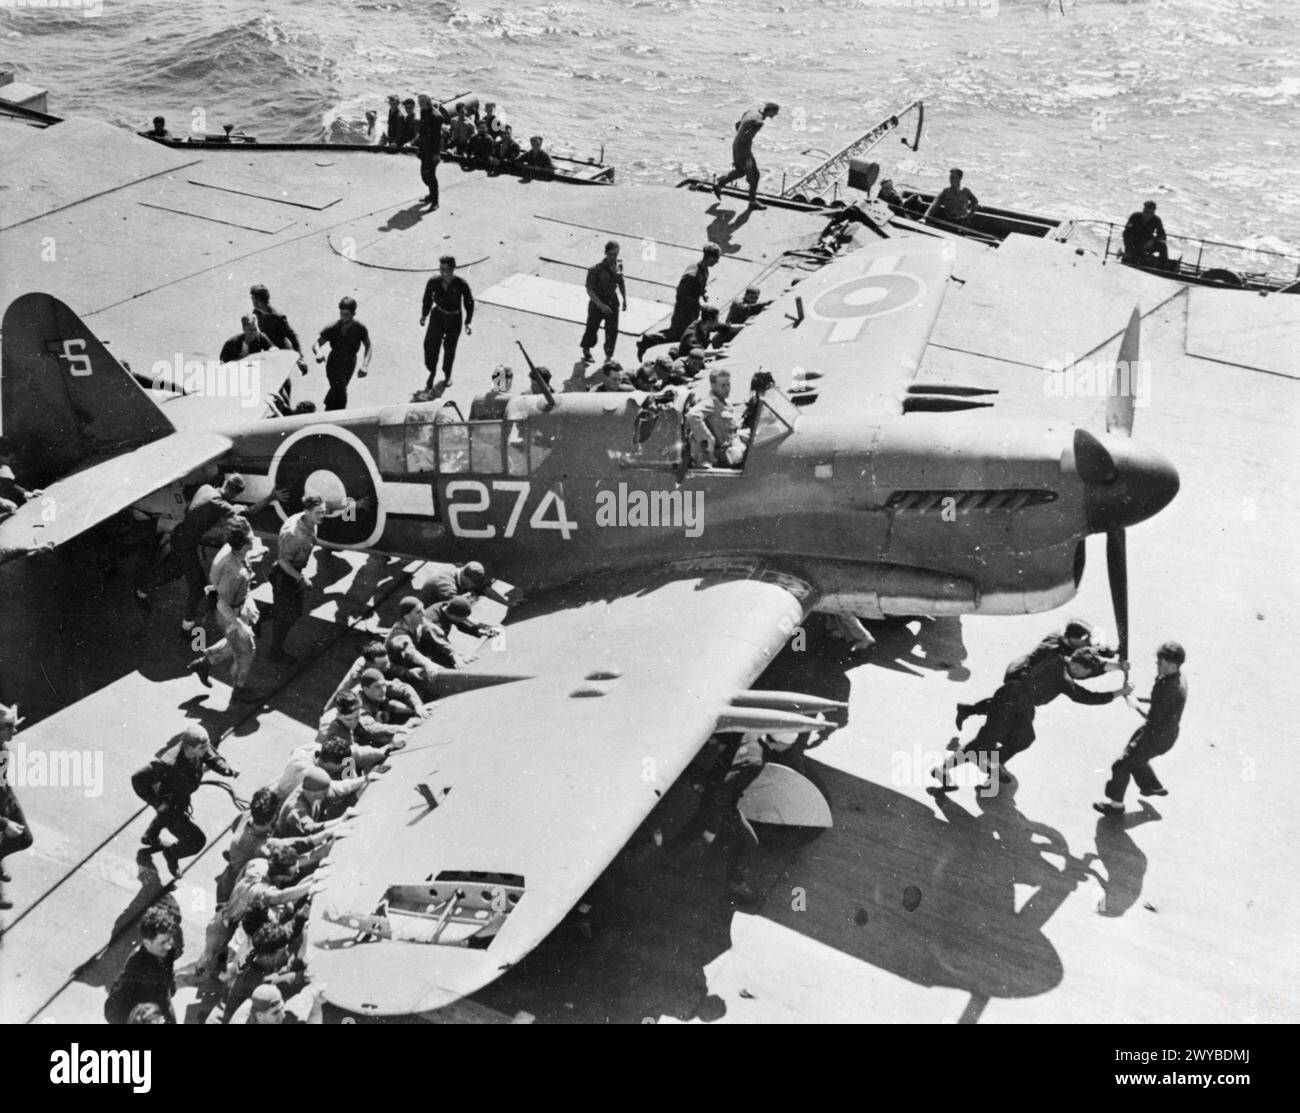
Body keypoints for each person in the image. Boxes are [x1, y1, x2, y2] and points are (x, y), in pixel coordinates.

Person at [932, 646, 1130, 793]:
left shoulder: (1057, 656)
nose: (1085, 676)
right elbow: (1085, 696)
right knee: (983, 743)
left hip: (1019, 702)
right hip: (1012, 700)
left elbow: (1088, 665)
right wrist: (1119, 692)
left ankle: (992, 767)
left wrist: (1117, 666)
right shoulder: (1063, 676)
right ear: (1077, 666)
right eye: (1085, 673)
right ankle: (944, 770)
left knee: (1023, 738)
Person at [659, 733, 770, 906]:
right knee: (748, 841)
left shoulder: (751, 735)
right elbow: (725, 789)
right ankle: (735, 883)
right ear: (781, 744)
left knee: (699, 822)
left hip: (712, 790)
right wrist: (714, 824)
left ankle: (670, 852)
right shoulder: (756, 762)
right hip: (720, 801)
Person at [132, 725, 239, 876]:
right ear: (188, 748)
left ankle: (150, 836)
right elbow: (137, 779)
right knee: (196, 841)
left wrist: (226, 769)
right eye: (202, 749)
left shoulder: (199, 747)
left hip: (181, 797)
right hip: (171, 806)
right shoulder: (168, 762)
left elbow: (212, 756)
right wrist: (157, 802)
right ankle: (171, 854)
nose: (205, 751)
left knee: (162, 815)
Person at [1095, 642, 1187, 814]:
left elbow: (1154, 718)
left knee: (1121, 765)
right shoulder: (1176, 678)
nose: (1157, 664)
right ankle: (1152, 787)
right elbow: (1162, 704)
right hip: (1164, 734)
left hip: (1155, 735)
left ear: (1173, 665)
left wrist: (1136, 705)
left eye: (1161, 662)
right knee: (1133, 756)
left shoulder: (1168, 687)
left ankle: (1116, 806)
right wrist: (1139, 699)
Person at [187, 517, 264, 701]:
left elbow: (238, 559)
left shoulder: (233, 550)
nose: (254, 538)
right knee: (246, 651)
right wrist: (240, 625)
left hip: (240, 605)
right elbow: (222, 603)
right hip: (231, 612)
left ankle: (204, 663)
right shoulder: (234, 573)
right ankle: (238, 690)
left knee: (236, 643)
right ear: (243, 544)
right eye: (251, 538)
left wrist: (253, 554)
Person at [268, 493, 328, 664]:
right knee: (286, 617)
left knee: (293, 612)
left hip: (293, 573)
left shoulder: (312, 520)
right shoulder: (293, 533)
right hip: (285, 575)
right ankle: (276, 651)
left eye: (323, 512)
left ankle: (261, 619)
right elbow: (282, 561)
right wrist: (300, 579)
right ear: (307, 511)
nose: (322, 516)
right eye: (318, 513)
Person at [636, 243, 721, 360]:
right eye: (717, 259)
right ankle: (649, 340)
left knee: (680, 334)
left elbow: (698, 287)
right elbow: (681, 296)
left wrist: (703, 294)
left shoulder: (704, 270)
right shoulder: (691, 274)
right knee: (680, 335)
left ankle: (649, 341)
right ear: (711, 258)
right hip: (683, 311)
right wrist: (698, 305)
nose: (717, 262)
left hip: (691, 310)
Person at [104, 905, 178, 1024]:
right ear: (147, 942)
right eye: (163, 942)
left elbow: (168, 979)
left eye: (170, 940)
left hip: (165, 1014)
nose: (168, 946)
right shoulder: (135, 967)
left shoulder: (167, 951)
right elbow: (112, 1011)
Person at [420, 255, 475, 389]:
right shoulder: (433, 281)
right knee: (430, 346)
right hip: (437, 315)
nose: (442, 271)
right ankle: (432, 373)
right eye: (440, 268)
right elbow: (427, 299)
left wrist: (468, 322)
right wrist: (424, 315)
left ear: (452, 269)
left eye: (445, 269)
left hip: (454, 319)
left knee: (449, 349)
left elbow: (469, 302)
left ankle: (447, 374)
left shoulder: (461, 284)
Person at [713, 102, 779, 210]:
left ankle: (719, 184)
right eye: (775, 113)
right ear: (770, 110)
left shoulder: (751, 111)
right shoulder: (759, 122)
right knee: (755, 175)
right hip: (744, 151)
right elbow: (746, 138)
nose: (775, 115)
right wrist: (748, 164)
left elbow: (738, 124)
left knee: (740, 171)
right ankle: (752, 202)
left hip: (736, 145)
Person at [312, 296, 372, 411]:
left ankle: (328, 408)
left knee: (338, 390)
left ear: (353, 314)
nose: (343, 317)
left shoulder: (360, 328)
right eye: (341, 314)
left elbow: (368, 346)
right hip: (334, 362)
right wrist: (318, 353)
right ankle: (338, 414)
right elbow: (316, 344)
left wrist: (365, 365)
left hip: (350, 363)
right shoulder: (332, 327)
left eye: (346, 315)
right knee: (341, 392)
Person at [0, 704, 33, 910]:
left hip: (4, 799)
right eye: (10, 727)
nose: (15, 731)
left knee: (25, 838)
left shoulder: (2, 748)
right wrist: (4, 824)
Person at [686, 367, 747, 468]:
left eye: (728, 384)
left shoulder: (723, 401)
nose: (727, 389)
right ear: (713, 386)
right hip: (724, 452)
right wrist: (709, 438)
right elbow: (692, 415)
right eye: (723, 386)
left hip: (733, 444)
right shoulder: (710, 402)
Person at [317, 687, 413, 748]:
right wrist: (386, 748)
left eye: (356, 717)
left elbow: (371, 727)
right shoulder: (331, 729)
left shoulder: (355, 707)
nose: (354, 723)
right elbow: (351, 756)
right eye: (349, 719)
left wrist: (399, 729)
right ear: (338, 715)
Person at [581, 240, 628, 364]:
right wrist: (600, 305)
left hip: (612, 300)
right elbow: (589, 289)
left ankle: (608, 356)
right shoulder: (595, 269)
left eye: (616, 254)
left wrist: (624, 300)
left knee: (612, 330)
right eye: (611, 254)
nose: (614, 257)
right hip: (597, 301)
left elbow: (621, 282)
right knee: (592, 328)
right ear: (606, 253)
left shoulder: (619, 264)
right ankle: (586, 350)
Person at [249, 285, 307, 373]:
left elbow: (292, 336)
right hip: (267, 351)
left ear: (259, 301)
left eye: (253, 298)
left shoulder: (278, 316)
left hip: (281, 352)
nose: (251, 300)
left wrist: (300, 358)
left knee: (281, 380)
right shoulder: (256, 312)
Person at [357, 667, 428, 727]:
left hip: (379, 712)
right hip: (364, 731)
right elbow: (371, 728)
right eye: (377, 687)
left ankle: (413, 711)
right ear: (366, 690)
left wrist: (417, 705)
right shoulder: (360, 703)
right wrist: (401, 728)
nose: (383, 690)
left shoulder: (381, 684)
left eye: (383, 685)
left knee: (391, 704)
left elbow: (404, 688)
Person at [0, 436, 42, 524]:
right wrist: (2, 502)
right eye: (11, 459)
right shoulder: (3, 470)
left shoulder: (4, 469)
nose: (13, 462)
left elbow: (10, 485)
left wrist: (26, 493)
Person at [1122, 200, 1170, 267]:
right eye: (1146, 211)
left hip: (1147, 243)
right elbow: (1126, 233)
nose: (1147, 214)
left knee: (1162, 245)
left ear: (1153, 213)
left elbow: (1163, 235)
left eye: (1150, 213)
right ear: (1143, 210)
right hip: (1134, 244)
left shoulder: (1156, 220)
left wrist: (1152, 241)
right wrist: (1127, 249)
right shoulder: (1135, 217)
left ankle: (1164, 267)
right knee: (1132, 260)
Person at [416, 93, 442, 208]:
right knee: (424, 174)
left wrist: (436, 154)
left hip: (432, 151)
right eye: (419, 101)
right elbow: (422, 133)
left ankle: (435, 201)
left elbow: (437, 137)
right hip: (424, 148)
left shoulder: (435, 116)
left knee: (431, 175)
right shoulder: (423, 112)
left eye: (422, 101)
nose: (419, 103)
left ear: (428, 102)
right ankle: (431, 195)